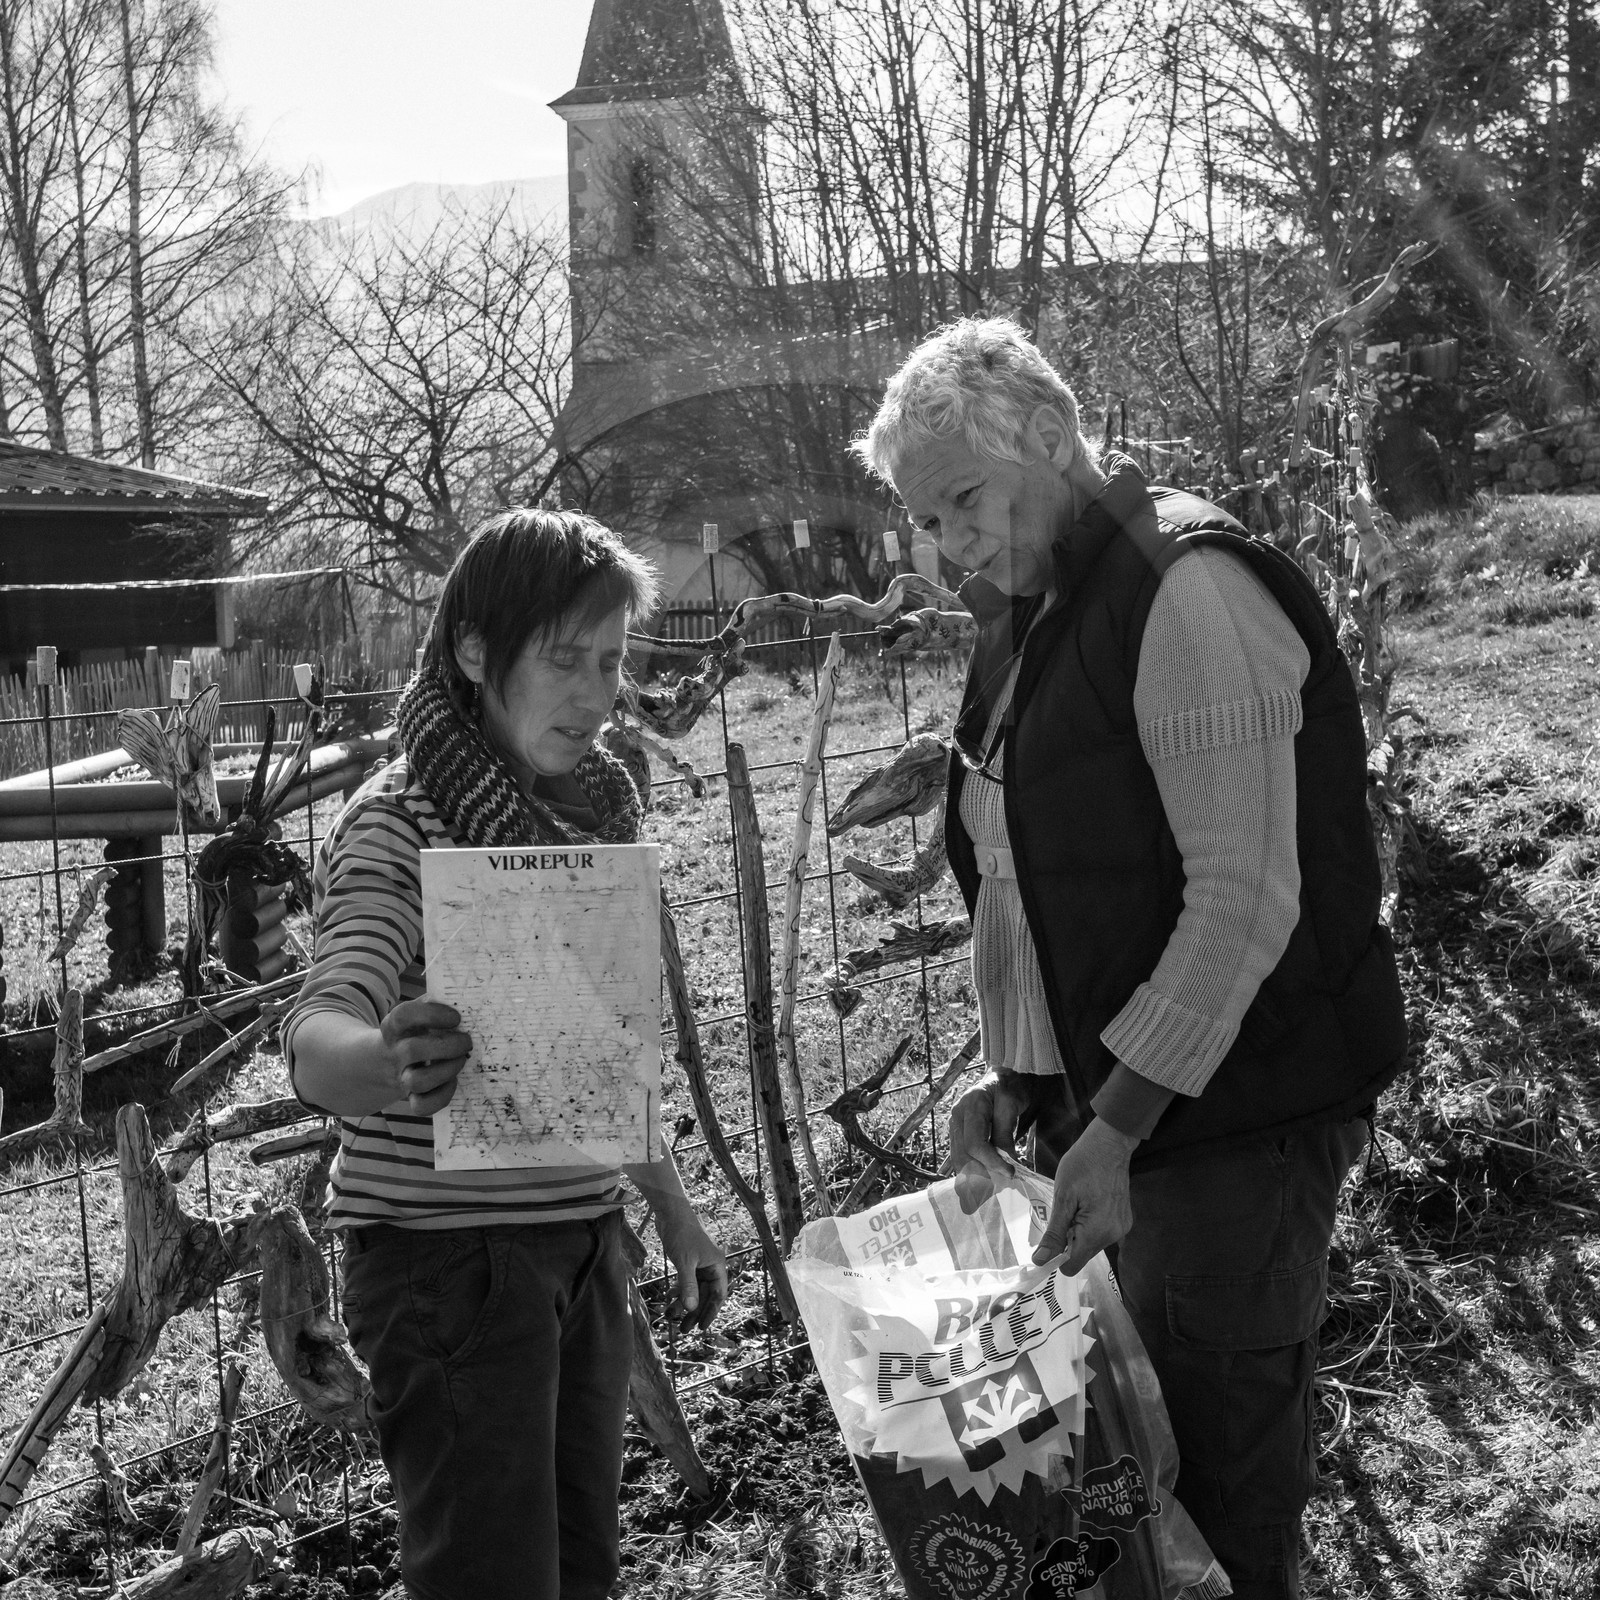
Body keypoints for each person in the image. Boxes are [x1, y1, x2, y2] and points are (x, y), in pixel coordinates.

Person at [855, 320, 1407, 1600]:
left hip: (1225, 1133)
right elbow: (1027, 874)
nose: (949, 548)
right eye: (926, 521)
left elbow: (1242, 899)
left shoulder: (1185, 586)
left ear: (1050, 437)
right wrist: (1016, 1075)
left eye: (962, 502)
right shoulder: (1034, 614)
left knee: (1217, 1490)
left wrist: (1115, 1117)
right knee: (1124, 1510)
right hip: (1106, 1132)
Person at [283, 510, 728, 1600]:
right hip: (451, 1270)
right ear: (476, 653)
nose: (593, 695)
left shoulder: (583, 821)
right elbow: (317, 1026)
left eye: (612, 661)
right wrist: (384, 1060)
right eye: (562, 659)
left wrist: (665, 1200)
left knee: (579, 1577)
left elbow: (592, 1050)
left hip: (578, 1250)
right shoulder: (400, 823)